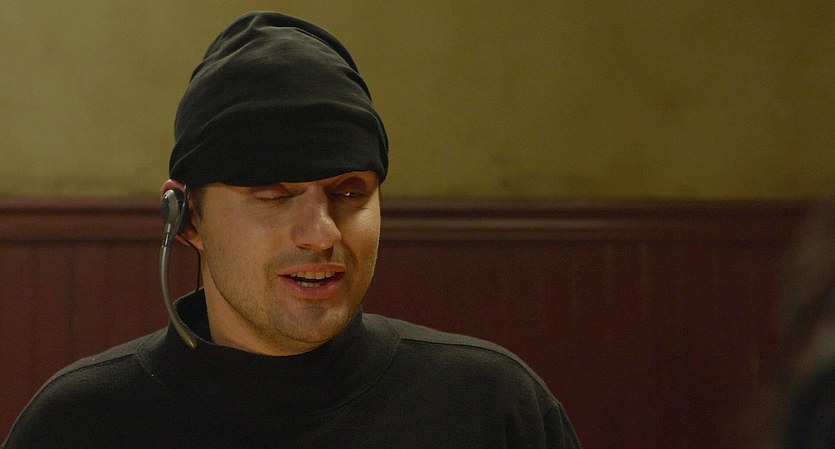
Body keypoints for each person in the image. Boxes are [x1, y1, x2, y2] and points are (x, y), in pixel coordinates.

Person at [3, 11, 582, 449]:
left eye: (349, 193)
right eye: (274, 197)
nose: (320, 232)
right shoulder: (79, 425)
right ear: (187, 219)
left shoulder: (490, 408)